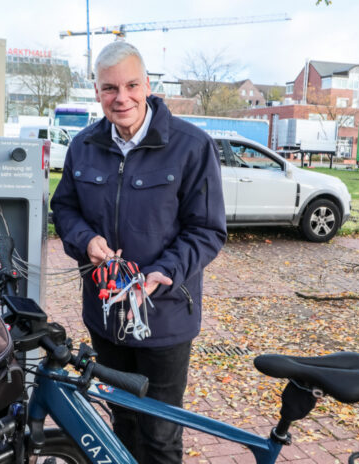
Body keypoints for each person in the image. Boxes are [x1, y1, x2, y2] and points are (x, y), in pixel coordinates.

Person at [50, 41, 227, 464]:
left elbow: (207, 230)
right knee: (122, 423)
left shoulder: (191, 146)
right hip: (105, 315)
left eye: (131, 85)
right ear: (96, 91)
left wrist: (164, 271)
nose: (121, 97)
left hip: (163, 318)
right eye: (110, 88)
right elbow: (64, 208)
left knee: (160, 435)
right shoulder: (83, 146)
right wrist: (85, 240)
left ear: (148, 84)